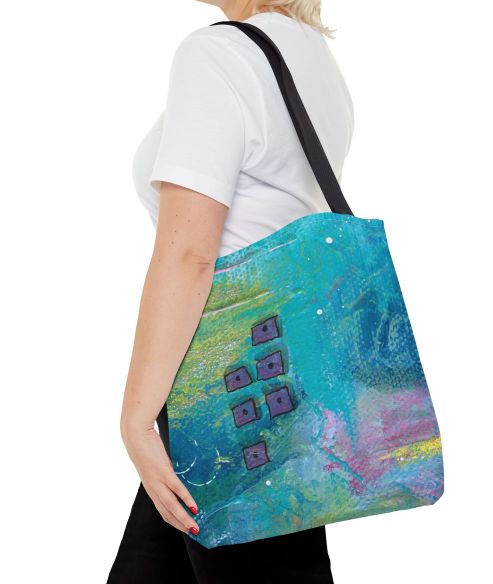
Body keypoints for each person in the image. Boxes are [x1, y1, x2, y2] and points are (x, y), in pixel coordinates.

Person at [107, 1, 354, 582]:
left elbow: (189, 255)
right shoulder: (310, 54)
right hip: (282, 380)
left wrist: (137, 419)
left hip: (226, 393)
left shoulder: (218, 53)